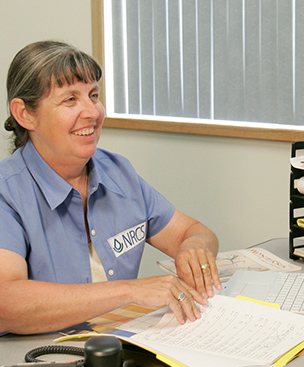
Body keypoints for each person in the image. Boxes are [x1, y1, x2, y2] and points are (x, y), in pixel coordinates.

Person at [0, 40, 222, 335]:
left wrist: (194, 248)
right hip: (40, 363)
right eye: (70, 100)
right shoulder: (7, 194)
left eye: (94, 95)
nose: (92, 112)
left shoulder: (118, 172)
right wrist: (130, 291)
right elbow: (6, 303)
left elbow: (194, 231)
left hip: (119, 349)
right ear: (25, 114)